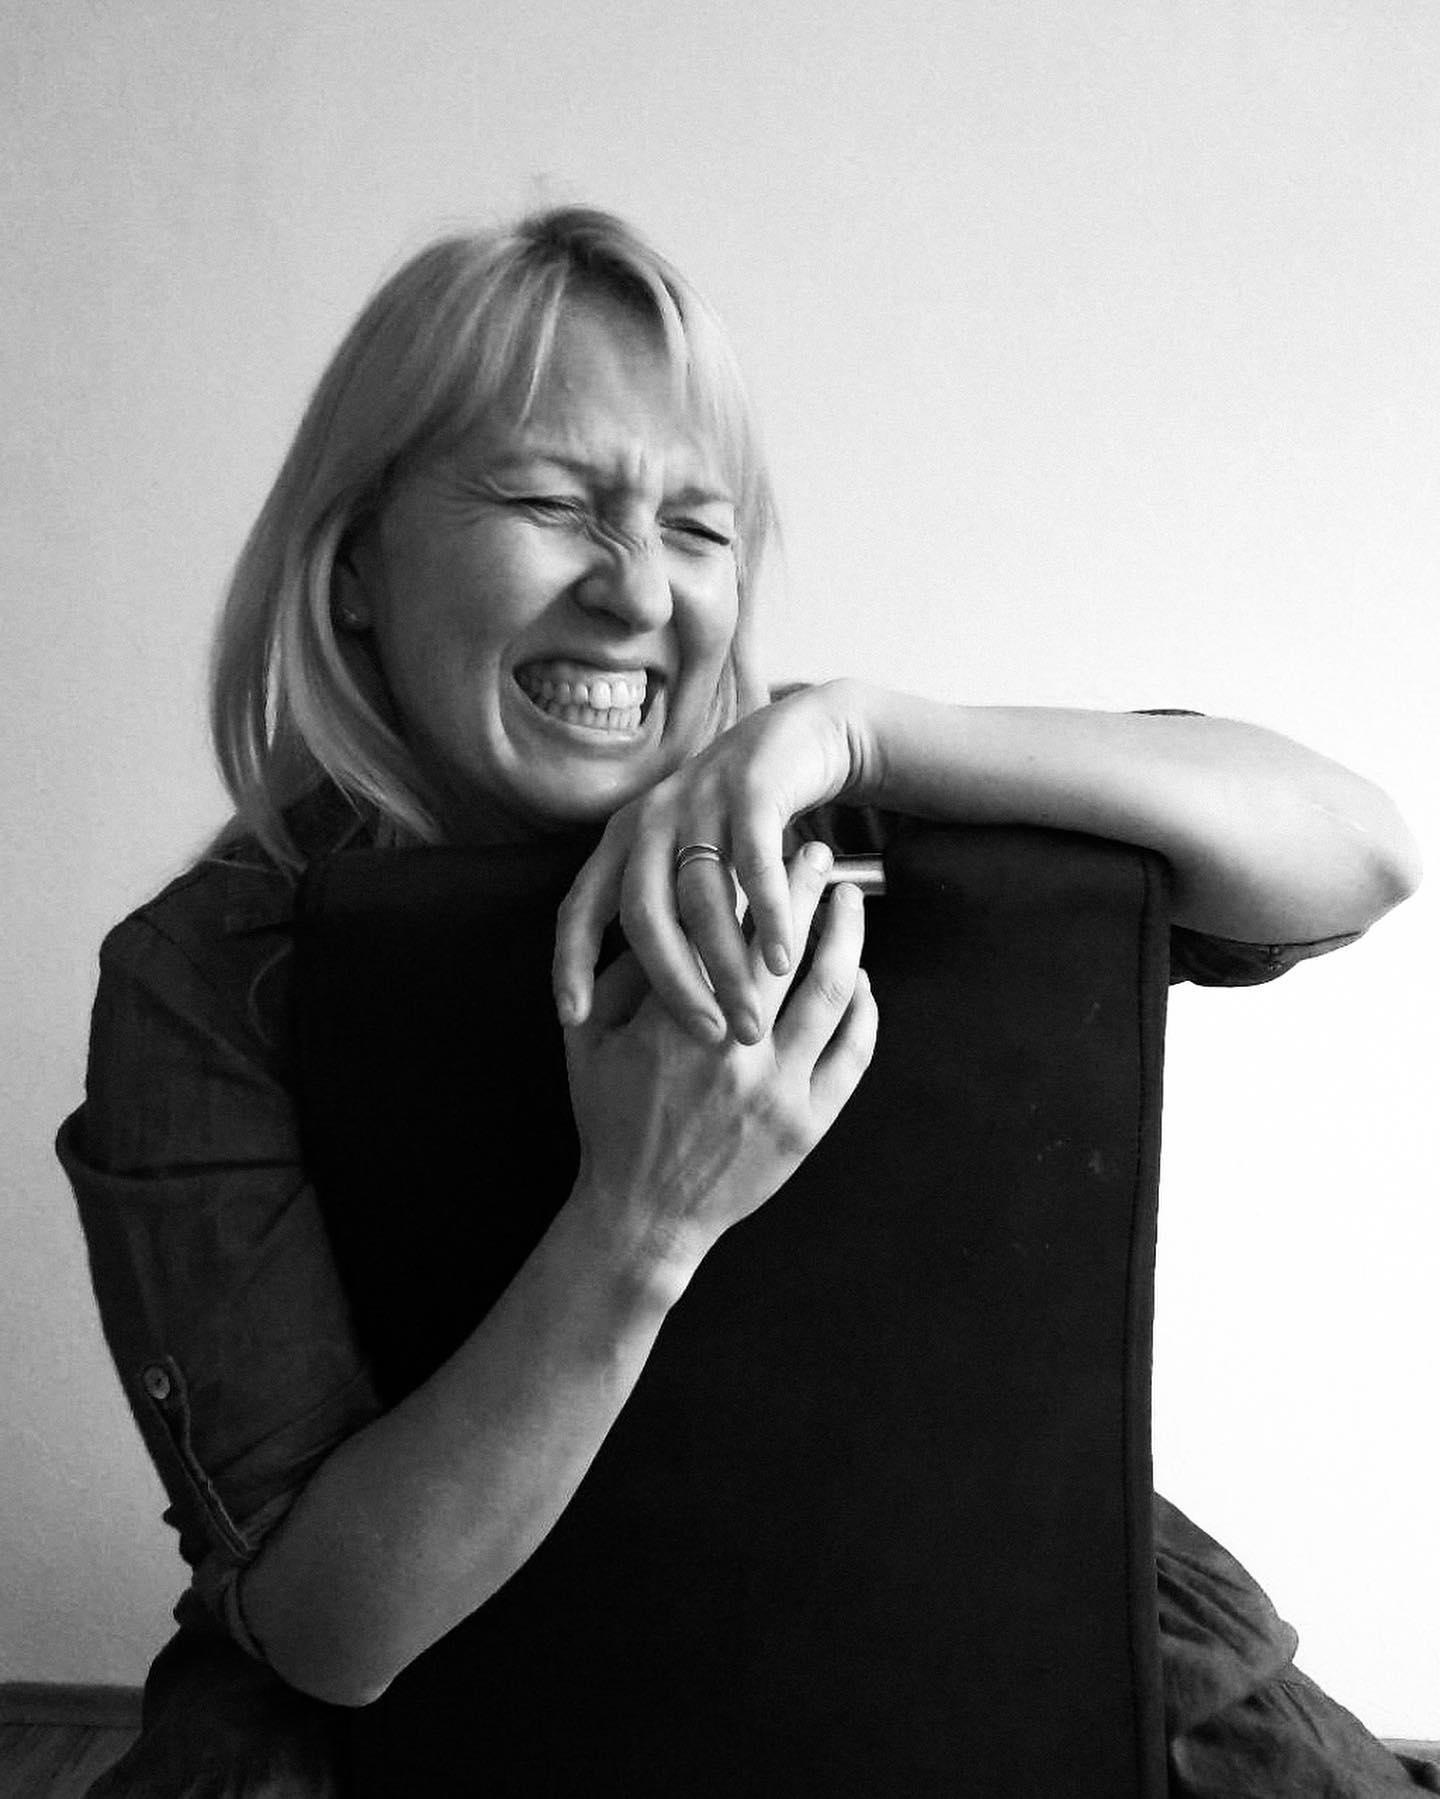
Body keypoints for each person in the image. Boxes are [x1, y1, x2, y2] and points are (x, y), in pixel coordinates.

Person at [58, 205, 1433, 1796]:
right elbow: (332, 1631)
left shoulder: (828, 811)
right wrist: (639, 1225)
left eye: (698, 530)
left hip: (968, 1622)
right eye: (546, 501)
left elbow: (1359, 853)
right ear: (355, 562)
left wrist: (869, 732)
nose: (637, 593)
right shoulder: (206, 978)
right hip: (442, 1715)